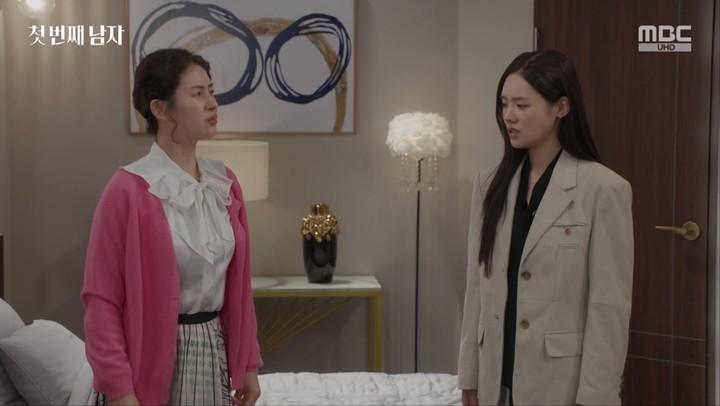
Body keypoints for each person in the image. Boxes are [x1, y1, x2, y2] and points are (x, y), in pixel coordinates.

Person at [81, 48, 262, 406]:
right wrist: (119, 390)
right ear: (161, 109)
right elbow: (101, 301)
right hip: (147, 367)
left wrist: (249, 364)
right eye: (197, 93)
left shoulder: (224, 183)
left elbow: (240, 290)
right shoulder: (127, 189)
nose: (212, 103)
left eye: (211, 91)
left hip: (212, 356)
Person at [457, 49, 634, 406]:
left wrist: (597, 397)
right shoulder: (489, 184)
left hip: (559, 385)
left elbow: (608, 307)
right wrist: (469, 374)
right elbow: (476, 287)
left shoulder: (604, 189)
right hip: (495, 380)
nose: (509, 115)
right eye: (504, 104)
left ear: (561, 107)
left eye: (522, 105)